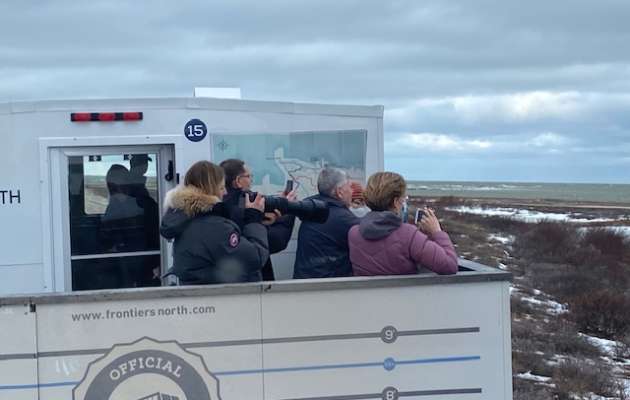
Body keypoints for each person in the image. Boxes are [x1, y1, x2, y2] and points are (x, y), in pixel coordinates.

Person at [160, 161, 269, 285]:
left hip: (200, 293)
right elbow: (255, 258)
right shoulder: (213, 226)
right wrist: (254, 219)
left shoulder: (185, 219)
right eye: (221, 188)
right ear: (210, 189)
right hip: (222, 295)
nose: (225, 192)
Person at [348, 172, 458, 276]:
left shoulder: (354, 233)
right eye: (403, 198)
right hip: (402, 290)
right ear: (396, 202)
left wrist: (421, 236)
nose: (404, 201)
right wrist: (437, 232)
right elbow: (449, 265)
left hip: (365, 291)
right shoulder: (409, 235)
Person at [219, 158, 296, 281]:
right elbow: (275, 241)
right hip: (252, 280)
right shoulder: (245, 210)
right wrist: (288, 211)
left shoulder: (220, 206)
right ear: (238, 181)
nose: (251, 180)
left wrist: (275, 213)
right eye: (249, 176)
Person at [293, 167, 359, 279]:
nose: (352, 191)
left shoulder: (311, 210)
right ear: (339, 192)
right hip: (329, 284)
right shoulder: (343, 218)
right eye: (349, 186)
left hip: (303, 280)